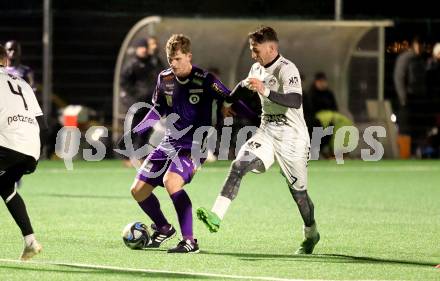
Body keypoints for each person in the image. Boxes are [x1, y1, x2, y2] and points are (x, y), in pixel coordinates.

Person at [196, 26, 320, 254]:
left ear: (272, 47)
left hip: (293, 137)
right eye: (252, 50)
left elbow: (295, 100)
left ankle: (311, 232)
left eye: (256, 50)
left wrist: (266, 91)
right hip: (267, 132)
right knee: (238, 165)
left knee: (299, 195)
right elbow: (244, 87)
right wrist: (227, 103)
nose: (253, 55)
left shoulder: (286, 68)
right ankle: (216, 215)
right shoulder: (256, 68)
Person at [121, 34, 239, 253]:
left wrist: (249, 114)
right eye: (169, 59)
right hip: (170, 142)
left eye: (177, 59)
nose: (172, 64)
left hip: (195, 144)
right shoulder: (164, 78)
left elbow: (232, 97)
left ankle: (190, 241)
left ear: (188, 56)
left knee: (171, 181)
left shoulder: (206, 79)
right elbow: (158, 110)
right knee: (137, 191)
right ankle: (164, 228)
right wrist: (139, 129)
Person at [0, 44, 47, 260]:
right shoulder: (24, 84)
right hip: (31, 150)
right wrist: (35, 153)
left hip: (7, 146)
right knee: (5, 186)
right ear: (5, 60)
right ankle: (30, 241)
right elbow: (44, 126)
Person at [120, 38, 164, 164]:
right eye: (142, 47)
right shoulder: (132, 64)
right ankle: (126, 156)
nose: (144, 49)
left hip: (150, 102)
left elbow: (162, 74)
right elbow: (125, 83)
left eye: (146, 47)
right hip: (136, 102)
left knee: (146, 128)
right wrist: (135, 96)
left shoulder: (152, 62)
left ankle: (141, 155)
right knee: (133, 128)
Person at [393, 36, 426, 148]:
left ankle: (416, 152)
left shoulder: (420, 59)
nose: (421, 48)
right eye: (419, 44)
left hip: (418, 98)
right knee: (405, 129)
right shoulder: (406, 58)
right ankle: (404, 153)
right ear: (414, 44)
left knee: (417, 129)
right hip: (407, 100)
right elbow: (399, 77)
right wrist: (403, 98)